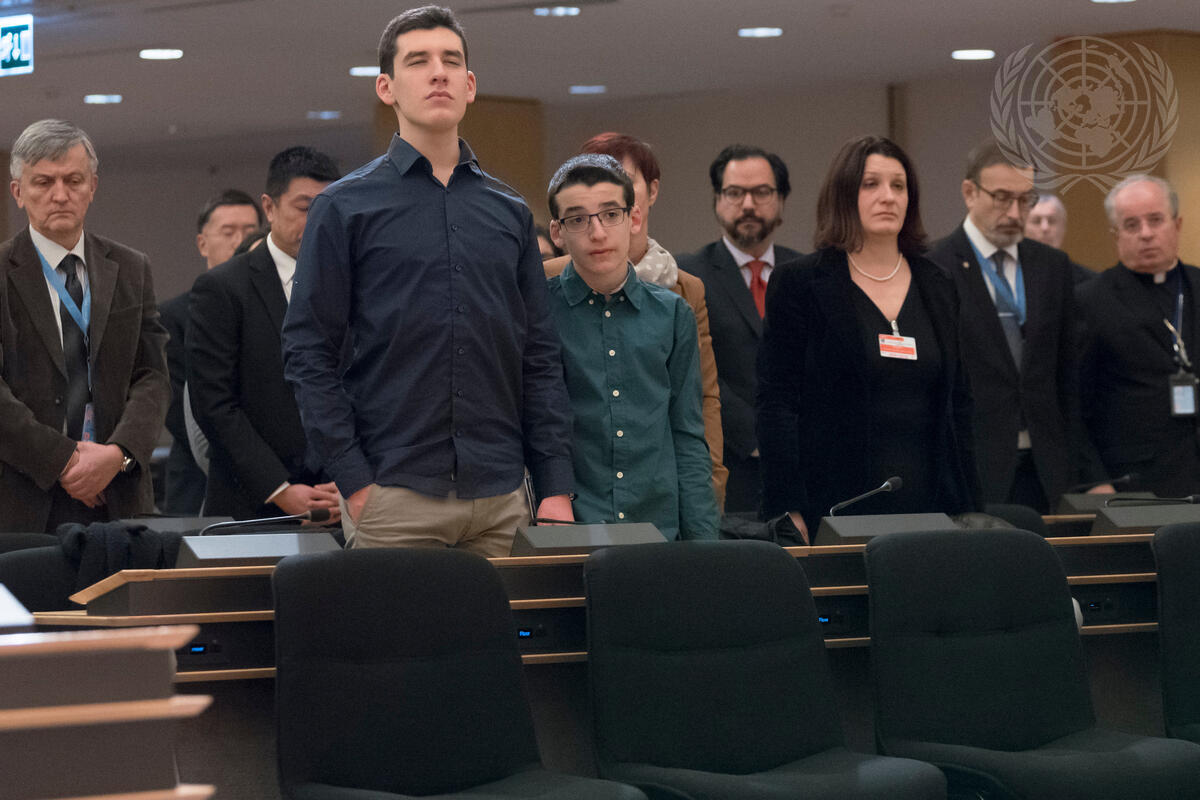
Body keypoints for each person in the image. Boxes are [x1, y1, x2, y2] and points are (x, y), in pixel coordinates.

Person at [282, 6, 573, 555]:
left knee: (506, 621)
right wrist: (354, 480)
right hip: (392, 494)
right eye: (418, 61)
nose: (438, 73)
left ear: (470, 85)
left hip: (502, 495)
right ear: (386, 88)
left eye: (451, 61)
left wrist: (554, 486)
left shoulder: (511, 212)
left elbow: (538, 355)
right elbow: (307, 351)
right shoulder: (343, 207)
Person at [758, 135, 978, 539]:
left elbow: (958, 404)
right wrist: (787, 507)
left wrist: (969, 506)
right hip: (834, 504)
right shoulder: (800, 282)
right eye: (871, 184)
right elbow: (777, 403)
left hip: (932, 504)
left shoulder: (938, 283)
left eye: (899, 185)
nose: (888, 196)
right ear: (844, 194)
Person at [542, 132, 729, 510]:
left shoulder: (680, 298)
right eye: (579, 217)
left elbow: (698, 407)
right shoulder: (544, 291)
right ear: (559, 230)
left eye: (611, 211)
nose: (597, 230)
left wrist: (708, 496)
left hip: (657, 496)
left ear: (639, 205)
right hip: (578, 499)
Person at [0, 119, 170, 533]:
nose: (60, 194)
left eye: (73, 180)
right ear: (18, 192)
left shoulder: (131, 267)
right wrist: (64, 460)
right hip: (25, 497)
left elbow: (153, 375)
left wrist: (117, 455)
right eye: (44, 182)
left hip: (119, 493)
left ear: (92, 187)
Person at [927, 141, 1107, 512]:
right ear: (969, 193)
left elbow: (1066, 377)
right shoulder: (935, 267)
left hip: (1048, 467)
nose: (1014, 212)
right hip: (973, 467)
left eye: (1025, 200)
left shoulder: (1052, 266)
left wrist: (1088, 472)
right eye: (1002, 198)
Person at [187, 147, 342, 520]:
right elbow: (214, 405)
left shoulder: (353, 282)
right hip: (252, 503)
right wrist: (280, 489)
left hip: (341, 496)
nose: (317, 221)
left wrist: (353, 476)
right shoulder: (223, 287)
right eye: (304, 208)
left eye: (329, 209)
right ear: (269, 208)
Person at [677, 144, 801, 514]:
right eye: (734, 193)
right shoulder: (689, 275)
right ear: (717, 200)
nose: (748, 204)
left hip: (801, 467)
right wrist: (758, 436)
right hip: (725, 468)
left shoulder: (805, 273)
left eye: (762, 192)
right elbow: (694, 370)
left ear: (781, 200)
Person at [1078, 175, 1200, 497]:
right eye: (1131, 225)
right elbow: (1074, 404)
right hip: (1136, 481)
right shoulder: (1090, 301)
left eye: (1156, 220)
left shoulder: (1197, 285)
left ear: (1177, 224)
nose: (1146, 233)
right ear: (1115, 235)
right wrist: (1095, 479)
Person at [158, 189, 264, 515]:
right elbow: (174, 404)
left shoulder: (278, 309)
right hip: (197, 476)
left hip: (274, 474)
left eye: (250, 231)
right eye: (228, 232)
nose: (240, 241)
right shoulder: (172, 315)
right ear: (203, 244)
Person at [1024, 193, 1095, 285]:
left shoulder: (1089, 281)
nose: (1045, 228)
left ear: (1063, 228)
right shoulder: (1011, 277)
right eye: (1036, 221)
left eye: (1052, 221)